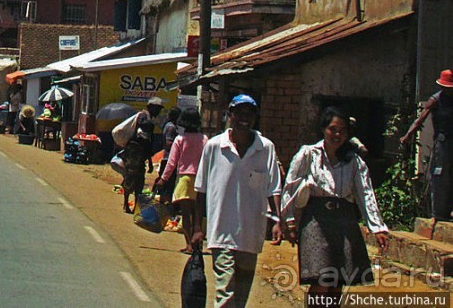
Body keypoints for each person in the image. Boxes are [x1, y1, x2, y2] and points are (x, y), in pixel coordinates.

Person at [281, 107, 389, 300]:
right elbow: (290, 187)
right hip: (316, 222)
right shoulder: (308, 155)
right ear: (323, 129)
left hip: (344, 222)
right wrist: (288, 221)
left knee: (337, 282)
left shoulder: (354, 161)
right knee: (321, 280)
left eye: (342, 131)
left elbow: (365, 193)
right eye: (332, 129)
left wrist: (377, 227)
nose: (337, 135)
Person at [191, 94, 283, 308]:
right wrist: (197, 228)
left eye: (249, 114)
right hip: (221, 233)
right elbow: (201, 189)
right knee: (225, 294)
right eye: (239, 113)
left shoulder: (265, 148)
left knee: (240, 299)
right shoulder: (214, 146)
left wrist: (277, 221)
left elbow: (273, 188)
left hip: (251, 235)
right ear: (230, 115)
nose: (244, 118)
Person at [400, 69, 453, 222]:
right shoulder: (436, 100)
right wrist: (408, 135)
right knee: (441, 175)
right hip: (443, 143)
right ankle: (439, 213)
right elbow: (420, 120)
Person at [157, 106, 207, 251]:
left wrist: (163, 179)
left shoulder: (180, 139)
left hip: (184, 179)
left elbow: (171, 162)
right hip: (200, 180)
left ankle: (189, 244)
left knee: (186, 214)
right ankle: (197, 243)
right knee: (197, 214)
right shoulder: (204, 139)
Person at [122, 119, 154, 214]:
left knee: (136, 185)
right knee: (132, 185)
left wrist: (150, 163)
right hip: (134, 164)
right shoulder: (137, 137)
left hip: (136, 165)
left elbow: (148, 152)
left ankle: (132, 205)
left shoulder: (141, 137)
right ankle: (127, 204)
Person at [158, 107, 181, 205]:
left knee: (166, 186)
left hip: (167, 158)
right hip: (169, 159)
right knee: (168, 186)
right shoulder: (171, 127)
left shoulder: (169, 125)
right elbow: (168, 143)